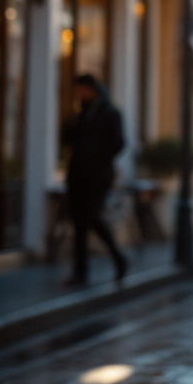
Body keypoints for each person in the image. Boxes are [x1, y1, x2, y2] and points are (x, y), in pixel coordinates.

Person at [63, 74, 128, 286]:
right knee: (79, 222)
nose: (80, 94)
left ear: (92, 89)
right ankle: (80, 271)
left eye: (83, 89)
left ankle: (118, 257)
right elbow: (68, 140)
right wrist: (69, 125)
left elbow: (119, 142)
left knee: (92, 216)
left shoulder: (110, 113)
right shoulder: (79, 113)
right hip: (78, 175)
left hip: (97, 176)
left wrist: (98, 160)